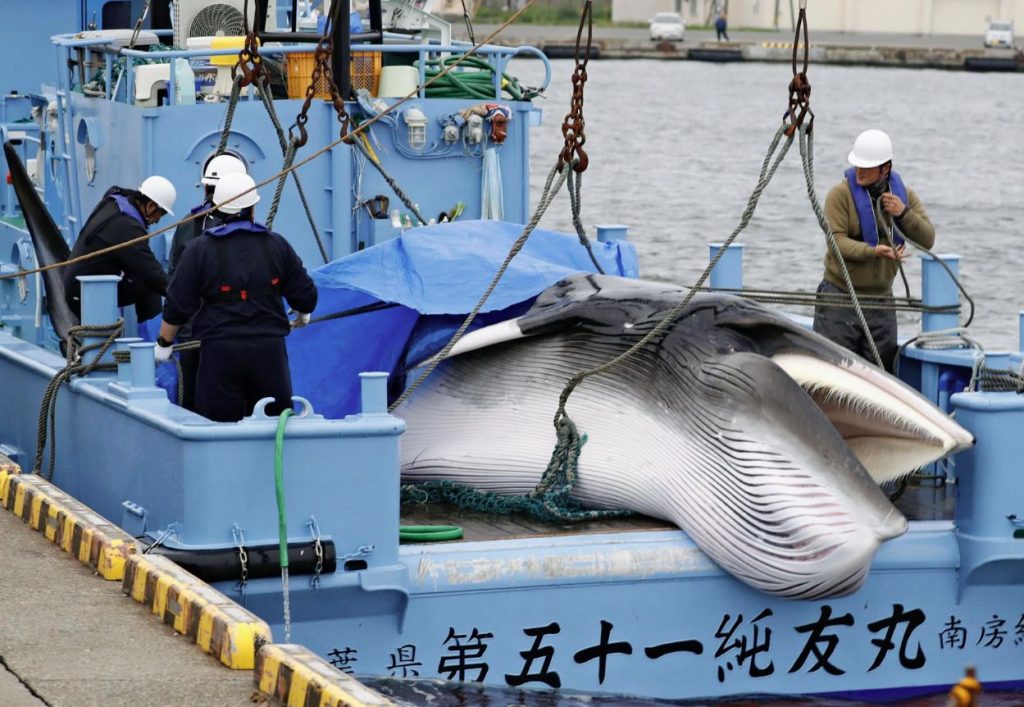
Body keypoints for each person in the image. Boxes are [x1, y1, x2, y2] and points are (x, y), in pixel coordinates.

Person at [156, 173, 317, 422]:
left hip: (220, 355)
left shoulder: (199, 250)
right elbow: (306, 296)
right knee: (276, 426)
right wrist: (303, 314)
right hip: (269, 354)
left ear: (217, 208)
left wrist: (164, 344)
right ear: (252, 207)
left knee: (217, 428)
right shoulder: (276, 245)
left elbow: (177, 305)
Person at [812, 129, 935, 373]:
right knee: (832, 375)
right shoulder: (839, 195)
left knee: (880, 375)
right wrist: (873, 251)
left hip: (881, 304)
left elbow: (928, 238)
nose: (859, 170)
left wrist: (903, 214)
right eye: (857, 164)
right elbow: (835, 242)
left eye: (866, 167)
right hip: (840, 298)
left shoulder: (905, 195)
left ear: (885, 168)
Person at [167, 153, 247, 411]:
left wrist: (166, 338)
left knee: (192, 402)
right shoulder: (247, 232)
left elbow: (176, 281)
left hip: (192, 333)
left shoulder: (188, 224)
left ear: (206, 186)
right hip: (233, 334)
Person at [64, 176, 176, 322]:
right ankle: (153, 340)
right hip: (86, 295)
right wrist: (184, 294)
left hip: (77, 286)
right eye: (161, 213)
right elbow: (153, 275)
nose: (159, 219)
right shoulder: (128, 228)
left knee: (144, 278)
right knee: (149, 283)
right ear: (151, 206)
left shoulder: (116, 200)